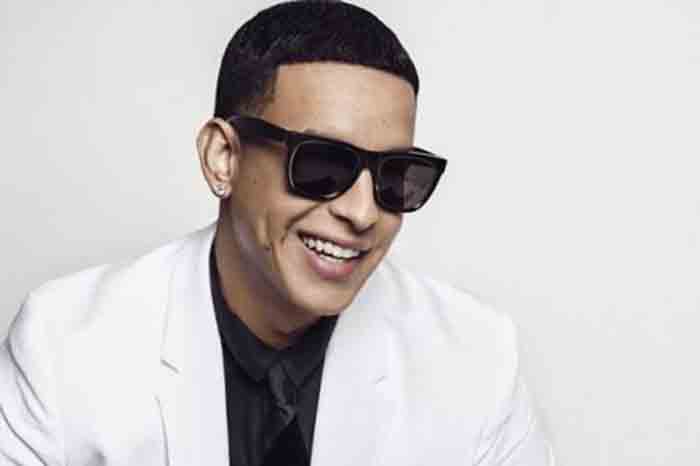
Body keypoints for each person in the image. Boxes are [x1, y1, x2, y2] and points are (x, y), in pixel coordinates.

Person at [0, 1, 554, 465]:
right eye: (322, 164)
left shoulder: (477, 361)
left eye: (395, 176)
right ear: (223, 158)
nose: (363, 212)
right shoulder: (63, 346)